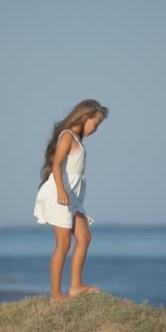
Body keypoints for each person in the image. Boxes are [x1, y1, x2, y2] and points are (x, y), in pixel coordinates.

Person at [34, 99, 109, 302]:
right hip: (60, 194)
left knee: (84, 237)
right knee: (64, 242)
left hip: (73, 198)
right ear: (85, 117)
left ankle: (75, 286)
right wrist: (60, 189)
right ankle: (56, 294)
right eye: (96, 123)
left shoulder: (77, 138)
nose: (97, 129)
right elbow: (57, 164)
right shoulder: (67, 136)